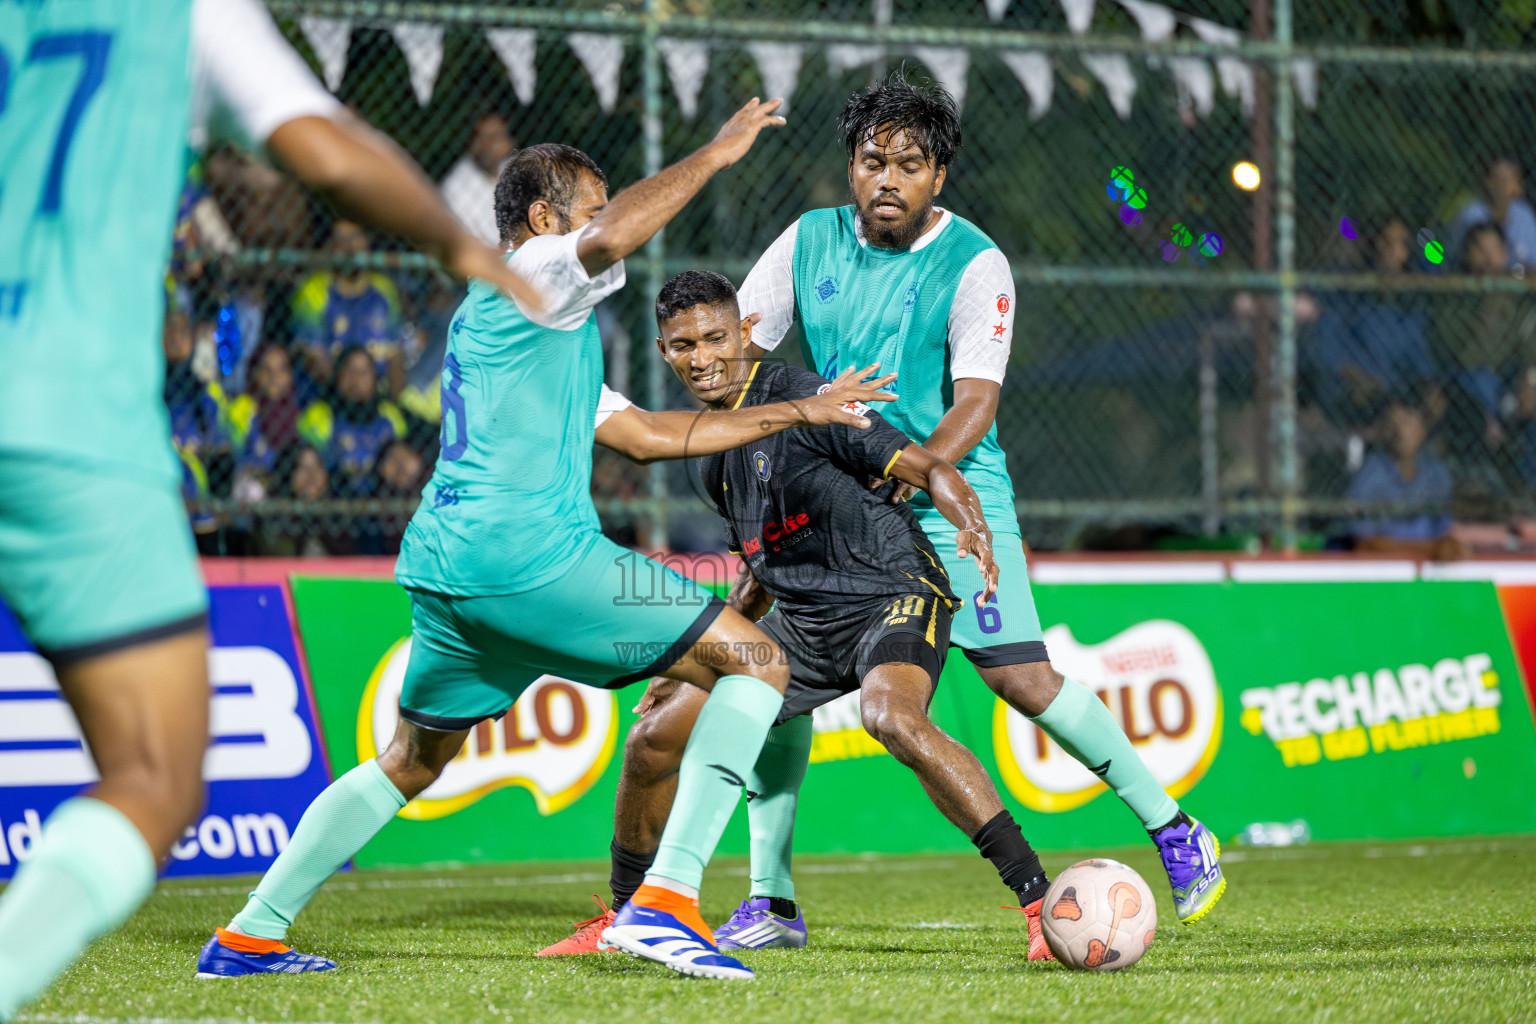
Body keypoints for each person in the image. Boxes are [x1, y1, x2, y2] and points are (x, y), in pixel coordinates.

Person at [193, 98, 908, 985]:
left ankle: (252, 932)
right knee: (758, 663)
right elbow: (604, 243)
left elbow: (649, 434)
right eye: (592, 202)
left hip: (451, 571)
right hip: (532, 559)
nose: (604, 218)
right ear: (542, 219)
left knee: (412, 759)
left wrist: (799, 408)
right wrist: (716, 156)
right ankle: (667, 905)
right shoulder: (536, 268)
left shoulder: (517, 324)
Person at [548, 70, 1224, 956]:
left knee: (1017, 674)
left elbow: (978, 399)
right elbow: (731, 347)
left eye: (910, 163)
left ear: (939, 175)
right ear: (851, 168)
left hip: (948, 494)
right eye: (873, 161)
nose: (888, 179)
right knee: (767, 676)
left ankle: (1173, 827)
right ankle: (771, 900)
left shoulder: (976, 261)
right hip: (837, 498)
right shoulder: (808, 243)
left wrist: (916, 472)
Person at [0, 0, 539, 1017]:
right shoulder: (180, 14)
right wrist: (460, 247)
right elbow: (323, 147)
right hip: (64, 418)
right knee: (154, 774)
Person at [551, 272, 1068, 963]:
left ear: (745, 331)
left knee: (891, 717)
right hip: (804, 622)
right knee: (652, 733)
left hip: (892, 590)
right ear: (663, 351)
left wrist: (968, 515)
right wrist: (704, 652)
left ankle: (1038, 899)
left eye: (714, 338)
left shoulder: (810, 398)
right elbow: (760, 571)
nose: (702, 356)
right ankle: (624, 918)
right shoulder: (707, 452)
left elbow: (924, 467)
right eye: (684, 345)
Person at [291, 219, 407, 396]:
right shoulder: (313, 291)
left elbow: (394, 354)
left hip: (378, 395)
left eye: (356, 238)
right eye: (341, 239)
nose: (349, 248)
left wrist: (394, 402)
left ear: (367, 242)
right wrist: (353, 392)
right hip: (328, 397)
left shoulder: (384, 289)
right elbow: (313, 359)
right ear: (330, 246)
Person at [1348, 399, 1463, 560]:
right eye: (1393, 424)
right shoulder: (1369, 475)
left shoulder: (1436, 473)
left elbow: (1444, 530)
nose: (1400, 432)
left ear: (1423, 429)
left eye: (1407, 423)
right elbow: (1364, 543)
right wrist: (1429, 550)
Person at [298, 345, 406, 495]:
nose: (356, 379)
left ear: (375, 379)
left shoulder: (389, 414)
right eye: (350, 371)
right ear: (338, 376)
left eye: (363, 372)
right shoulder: (318, 413)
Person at [1448, 157, 1536, 272]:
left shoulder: (1523, 213)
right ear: (1490, 183)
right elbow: (1461, 258)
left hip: (1518, 279)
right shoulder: (1472, 214)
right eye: (1504, 180)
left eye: (1515, 180)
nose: (1512, 188)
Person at [441, 112, 516, 246]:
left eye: (499, 136)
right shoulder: (456, 186)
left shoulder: (514, 169)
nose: (494, 144)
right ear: (472, 143)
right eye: (487, 137)